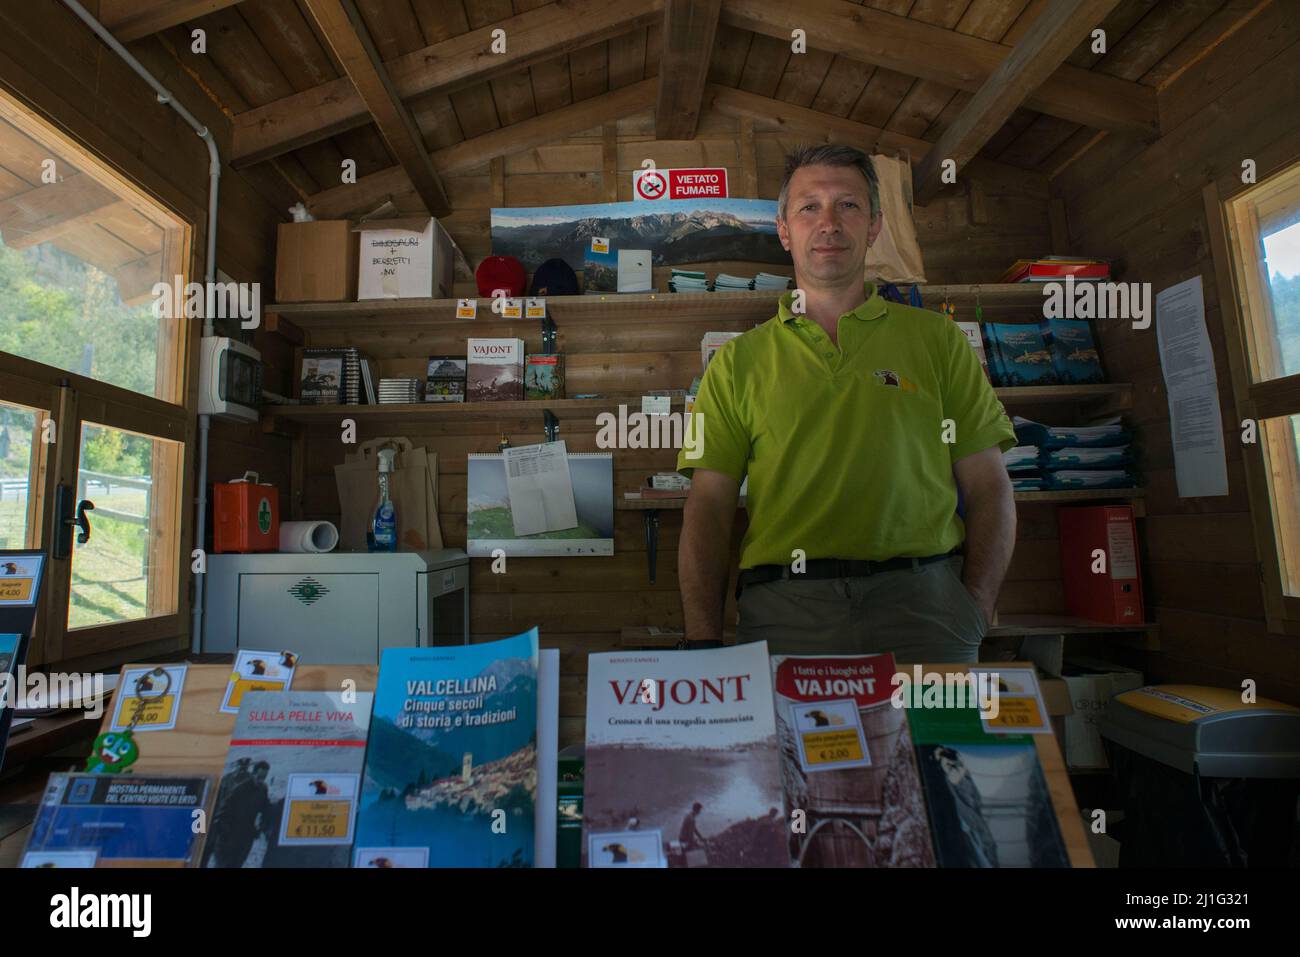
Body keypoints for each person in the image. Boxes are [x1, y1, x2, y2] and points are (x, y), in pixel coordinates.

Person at [676, 144, 1016, 662]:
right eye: (809, 206)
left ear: (875, 226)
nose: (829, 223)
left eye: (848, 205)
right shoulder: (736, 362)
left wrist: (975, 605)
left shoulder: (939, 342)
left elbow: (991, 485)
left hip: (925, 611)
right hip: (785, 614)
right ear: (785, 230)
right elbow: (708, 507)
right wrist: (703, 641)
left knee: (938, 748)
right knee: (793, 747)